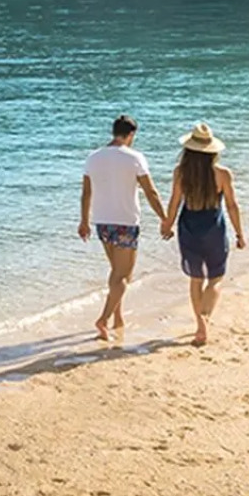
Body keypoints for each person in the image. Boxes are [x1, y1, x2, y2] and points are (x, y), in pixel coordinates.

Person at [79, 115, 168, 340]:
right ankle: (103, 320)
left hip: (102, 222)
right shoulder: (134, 158)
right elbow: (151, 192)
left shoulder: (93, 157)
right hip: (126, 222)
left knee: (116, 273)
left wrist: (84, 221)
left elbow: (86, 193)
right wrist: (165, 218)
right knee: (123, 275)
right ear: (131, 135)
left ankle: (118, 319)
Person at [159, 123, 247, 346]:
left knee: (195, 278)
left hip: (188, 227)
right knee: (216, 277)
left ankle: (200, 323)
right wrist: (239, 234)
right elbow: (232, 206)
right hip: (214, 228)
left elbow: (175, 202)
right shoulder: (223, 174)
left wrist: (167, 224)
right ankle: (205, 318)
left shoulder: (180, 173)